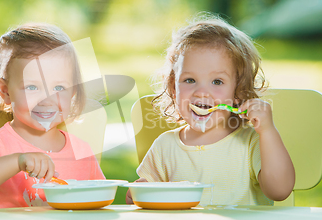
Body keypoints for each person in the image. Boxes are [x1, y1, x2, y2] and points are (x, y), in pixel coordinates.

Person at [126, 15, 295, 206]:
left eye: (217, 82)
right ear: (174, 89)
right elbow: (147, 197)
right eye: (190, 80)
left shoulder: (252, 142)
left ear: (237, 92)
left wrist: (268, 131)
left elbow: (280, 191)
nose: (201, 92)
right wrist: (139, 194)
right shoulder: (165, 147)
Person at [0, 23, 105, 209]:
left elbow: (100, 202)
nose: (46, 100)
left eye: (59, 88)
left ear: (73, 93)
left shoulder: (81, 151)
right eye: (32, 87)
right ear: (5, 91)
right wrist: (17, 161)